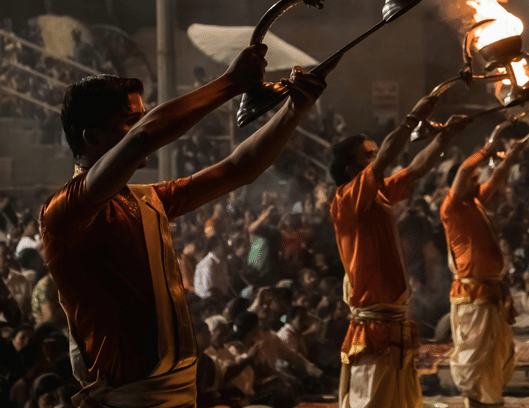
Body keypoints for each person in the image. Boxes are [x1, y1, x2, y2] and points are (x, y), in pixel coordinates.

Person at [40, 45, 328, 407]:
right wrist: (228, 84)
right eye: (130, 121)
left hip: (180, 393)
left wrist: (294, 109)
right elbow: (146, 137)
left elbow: (240, 168)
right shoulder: (64, 211)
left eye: (142, 118)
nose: (143, 127)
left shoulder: (147, 199)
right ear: (92, 137)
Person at [329, 94, 469, 408]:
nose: (377, 158)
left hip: (392, 322)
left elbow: (417, 168)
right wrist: (415, 115)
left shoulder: (377, 192)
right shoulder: (347, 199)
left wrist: (445, 136)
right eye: (369, 156)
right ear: (353, 169)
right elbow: (390, 156)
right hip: (374, 326)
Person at [440, 130, 522, 408]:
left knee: (493, 355)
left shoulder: (474, 201)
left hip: (490, 294)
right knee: (475, 357)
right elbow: (464, 169)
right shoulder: (452, 207)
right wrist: (487, 149)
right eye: (474, 180)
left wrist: (510, 158)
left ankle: (492, 402)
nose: (478, 182)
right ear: (456, 186)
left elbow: (497, 178)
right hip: (472, 295)